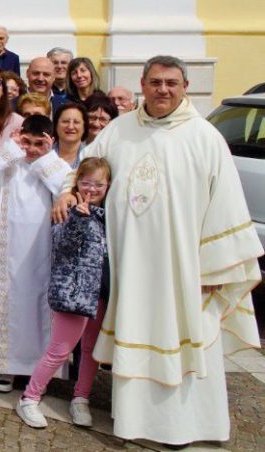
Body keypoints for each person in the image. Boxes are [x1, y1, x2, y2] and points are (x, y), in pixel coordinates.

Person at [53, 55, 263, 446]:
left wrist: (214, 268)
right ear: (142, 84)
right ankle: (134, 420)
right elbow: (84, 168)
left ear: (185, 87)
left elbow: (227, 205)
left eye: (171, 83)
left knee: (186, 336)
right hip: (132, 264)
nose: (162, 90)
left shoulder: (205, 137)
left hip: (185, 267)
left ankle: (187, 425)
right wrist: (68, 191)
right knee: (137, 327)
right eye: (155, 82)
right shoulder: (119, 130)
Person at [0, 115, 72, 394]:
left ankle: (36, 369)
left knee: (37, 307)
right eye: (27, 141)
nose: (31, 149)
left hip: (41, 248)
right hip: (7, 248)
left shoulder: (57, 165)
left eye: (38, 143)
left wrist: (45, 156)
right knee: (6, 303)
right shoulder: (12, 161)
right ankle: (5, 367)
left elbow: (63, 187)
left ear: (50, 142)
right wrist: (12, 149)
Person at [16, 157, 111, 429]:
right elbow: (62, 244)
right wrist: (78, 218)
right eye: (86, 183)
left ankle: (81, 398)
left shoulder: (108, 214)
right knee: (59, 350)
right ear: (76, 183)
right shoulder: (68, 208)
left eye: (99, 184)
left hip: (99, 290)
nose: (92, 189)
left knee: (91, 350)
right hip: (72, 292)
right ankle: (29, 397)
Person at [52, 101, 87, 169]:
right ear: (56, 125)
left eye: (76, 122)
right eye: (65, 121)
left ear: (84, 127)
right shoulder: (45, 154)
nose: (70, 127)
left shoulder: (91, 156)